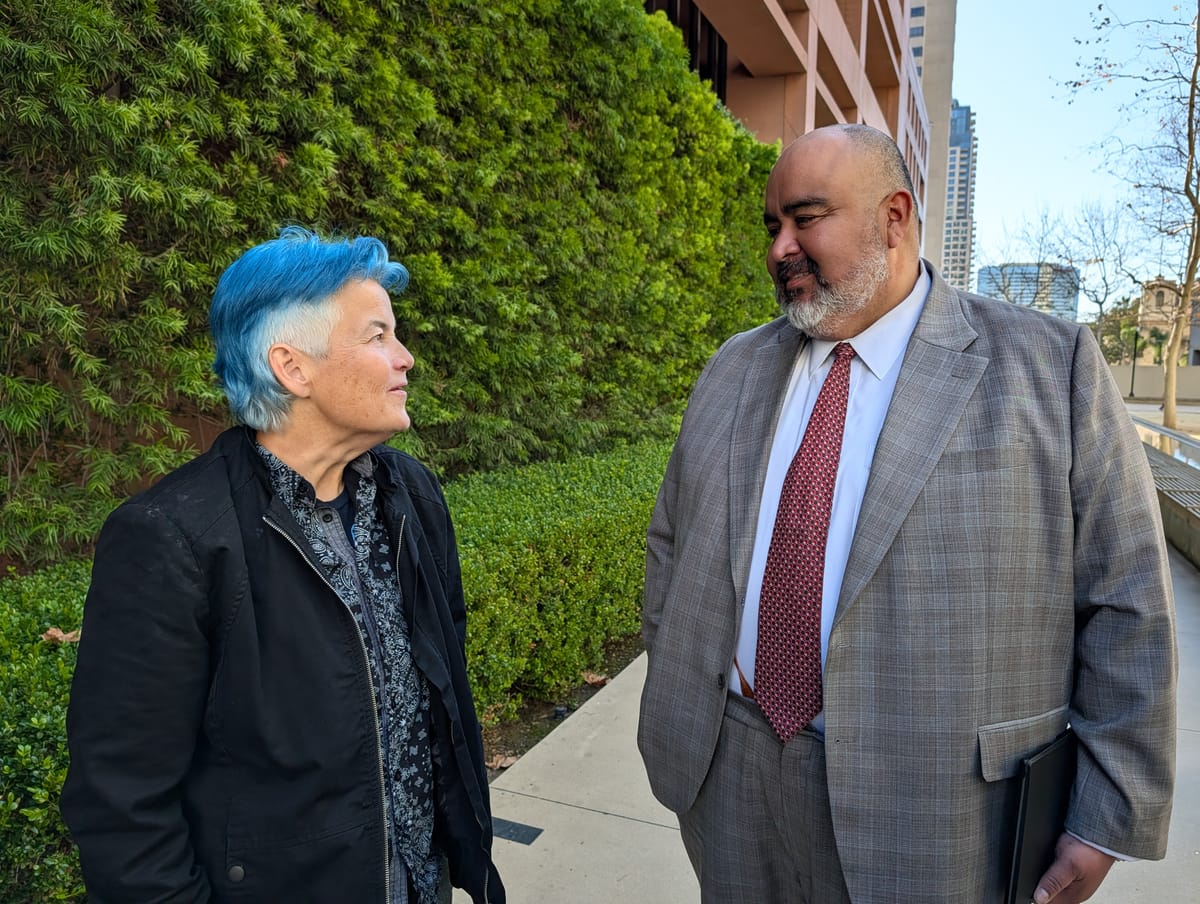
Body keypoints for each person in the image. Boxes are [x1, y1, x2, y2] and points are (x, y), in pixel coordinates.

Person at [637, 124, 1177, 904]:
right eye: (772, 225)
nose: (779, 248)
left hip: (942, 811)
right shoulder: (734, 364)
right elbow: (670, 543)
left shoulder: (1048, 366)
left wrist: (1105, 817)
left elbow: (1126, 602)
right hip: (729, 772)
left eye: (806, 218)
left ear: (894, 219)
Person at [62, 226, 504, 903]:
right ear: (292, 367)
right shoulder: (171, 538)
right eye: (378, 336)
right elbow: (123, 805)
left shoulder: (410, 492)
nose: (406, 358)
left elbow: (440, 692)